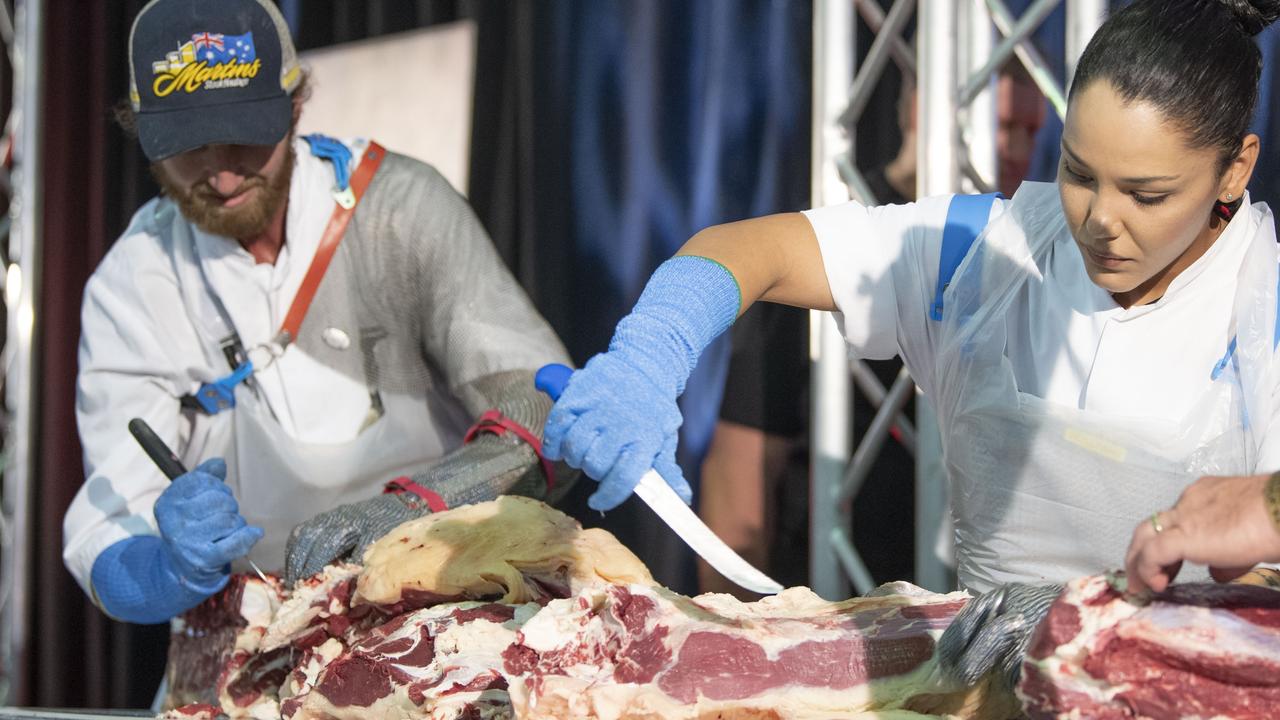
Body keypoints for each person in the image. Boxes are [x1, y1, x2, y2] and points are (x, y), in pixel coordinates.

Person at [542, 0, 1280, 692]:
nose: (1099, 221)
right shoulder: (987, 255)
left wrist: (1083, 613)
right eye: (1079, 174)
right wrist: (650, 354)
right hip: (983, 690)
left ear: (1236, 168)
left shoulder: (1264, 308)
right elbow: (749, 249)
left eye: (1146, 195)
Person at [62, 0, 571, 625]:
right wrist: (168, 569)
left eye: (245, 136)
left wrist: (410, 509)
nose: (221, 177)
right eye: (189, 147)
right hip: (255, 631)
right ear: (142, 135)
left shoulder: (397, 210)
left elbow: (539, 409)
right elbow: (108, 530)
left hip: (441, 607)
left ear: (295, 105)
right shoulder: (134, 282)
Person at [698, 60, 1046, 597]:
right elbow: (739, 471)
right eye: (1003, 127)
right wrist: (733, 639)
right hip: (833, 611)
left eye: (1032, 132)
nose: (1017, 150)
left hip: (977, 617)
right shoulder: (835, 253)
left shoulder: (1032, 262)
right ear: (922, 111)